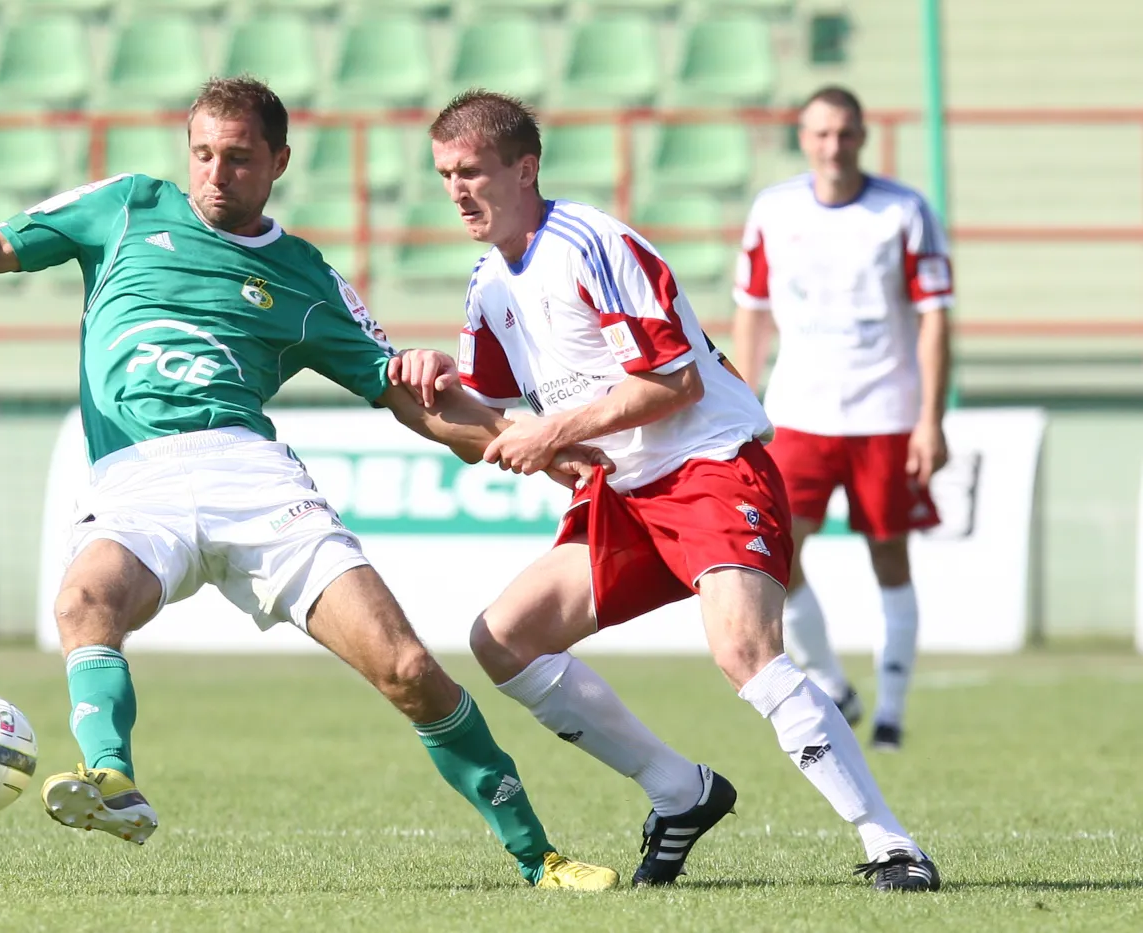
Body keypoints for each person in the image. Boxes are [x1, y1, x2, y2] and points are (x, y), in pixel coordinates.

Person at [0, 77, 619, 891]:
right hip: (135, 478)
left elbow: (403, 395)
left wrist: (519, 440)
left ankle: (543, 858)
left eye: (240, 158)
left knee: (406, 669)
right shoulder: (125, 207)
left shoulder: (303, 276)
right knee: (84, 603)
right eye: (204, 155)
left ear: (279, 161)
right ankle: (109, 778)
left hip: (250, 476)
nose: (217, 174)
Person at [387, 89, 940, 892]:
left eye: (472, 171)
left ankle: (893, 843)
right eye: (445, 175)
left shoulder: (592, 243)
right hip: (626, 489)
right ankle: (681, 792)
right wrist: (434, 379)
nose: (457, 190)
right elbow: (494, 416)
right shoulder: (488, 283)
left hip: (710, 463)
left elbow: (674, 381)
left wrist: (554, 431)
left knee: (745, 652)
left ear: (525, 167)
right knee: (503, 639)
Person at [730, 86, 954, 751]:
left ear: (863, 137)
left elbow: (935, 316)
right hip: (798, 413)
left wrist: (929, 418)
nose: (834, 146)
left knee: (890, 554)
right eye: (822, 133)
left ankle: (890, 712)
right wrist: (745, 400)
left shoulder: (904, 211)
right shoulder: (773, 210)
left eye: (846, 134)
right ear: (803, 138)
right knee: (779, 551)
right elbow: (752, 308)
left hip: (885, 413)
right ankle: (833, 681)